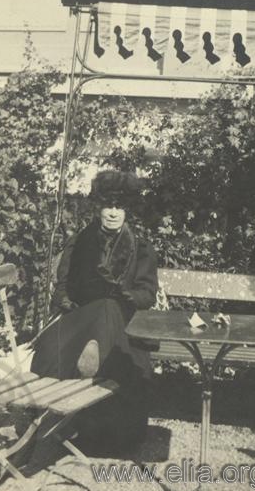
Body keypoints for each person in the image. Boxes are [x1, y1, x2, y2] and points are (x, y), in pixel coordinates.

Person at [30, 170, 159, 453]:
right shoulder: (80, 242)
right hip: (80, 317)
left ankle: (109, 436)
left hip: (121, 320)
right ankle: (65, 419)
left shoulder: (140, 247)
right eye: (107, 206)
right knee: (52, 350)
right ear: (98, 208)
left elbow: (147, 293)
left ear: (127, 211)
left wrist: (128, 294)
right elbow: (63, 286)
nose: (112, 213)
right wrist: (65, 299)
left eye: (119, 207)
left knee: (110, 312)